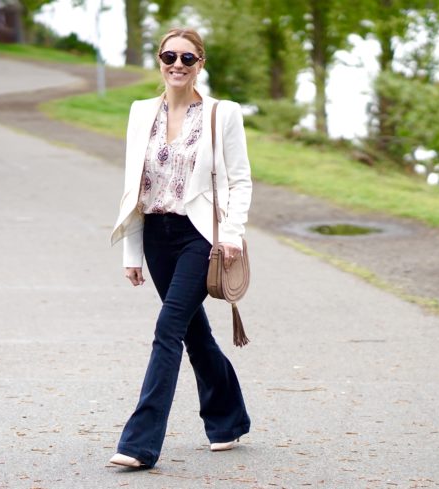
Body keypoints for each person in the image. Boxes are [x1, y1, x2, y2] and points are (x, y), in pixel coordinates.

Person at [109, 27, 253, 469]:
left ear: (199, 64)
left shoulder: (221, 113)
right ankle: (228, 419)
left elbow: (240, 179)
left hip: (199, 238)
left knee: (167, 330)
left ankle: (139, 444)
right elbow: (135, 186)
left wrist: (231, 233)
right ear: (159, 61)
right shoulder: (139, 113)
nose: (177, 64)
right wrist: (132, 252)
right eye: (169, 56)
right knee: (194, 332)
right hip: (156, 235)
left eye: (187, 58)